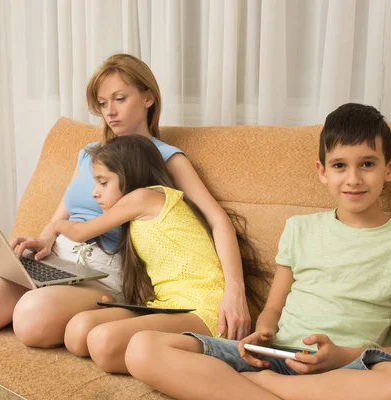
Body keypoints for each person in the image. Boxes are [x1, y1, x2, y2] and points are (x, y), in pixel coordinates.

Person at [124, 103, 391, 400]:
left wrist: (339, 354)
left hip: (347, 371)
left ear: (389, 168)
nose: (353, 179)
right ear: (322, 171)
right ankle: (272, 389)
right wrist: (262, 334)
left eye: (367, 164)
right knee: (143, 346)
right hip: (278, 357)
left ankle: (267, 389)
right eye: (339, 165)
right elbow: (272, 311)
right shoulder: (300, 228)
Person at [0, 53, 252, 348]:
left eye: (120, 98)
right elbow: (62, 214)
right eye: (102, 103)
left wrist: (234, 291)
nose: (110, 111)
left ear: (148, 98)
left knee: (30, 321)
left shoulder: (166, 158)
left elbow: (217, 220)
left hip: (104, 271)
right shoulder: (90, 153)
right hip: (57, 258)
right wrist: (44, 238)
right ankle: (41, 291)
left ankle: (100, 306)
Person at [55, 135, 268, 373]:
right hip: (169, 304)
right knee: (77, 331)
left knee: (103, 343)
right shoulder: (139, 216)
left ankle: (222, 354)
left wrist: (56, 225)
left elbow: (80, 231)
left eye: (103, 183)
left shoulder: (145, 197)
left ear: (128, 176)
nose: (95, 193)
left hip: (204, 307)